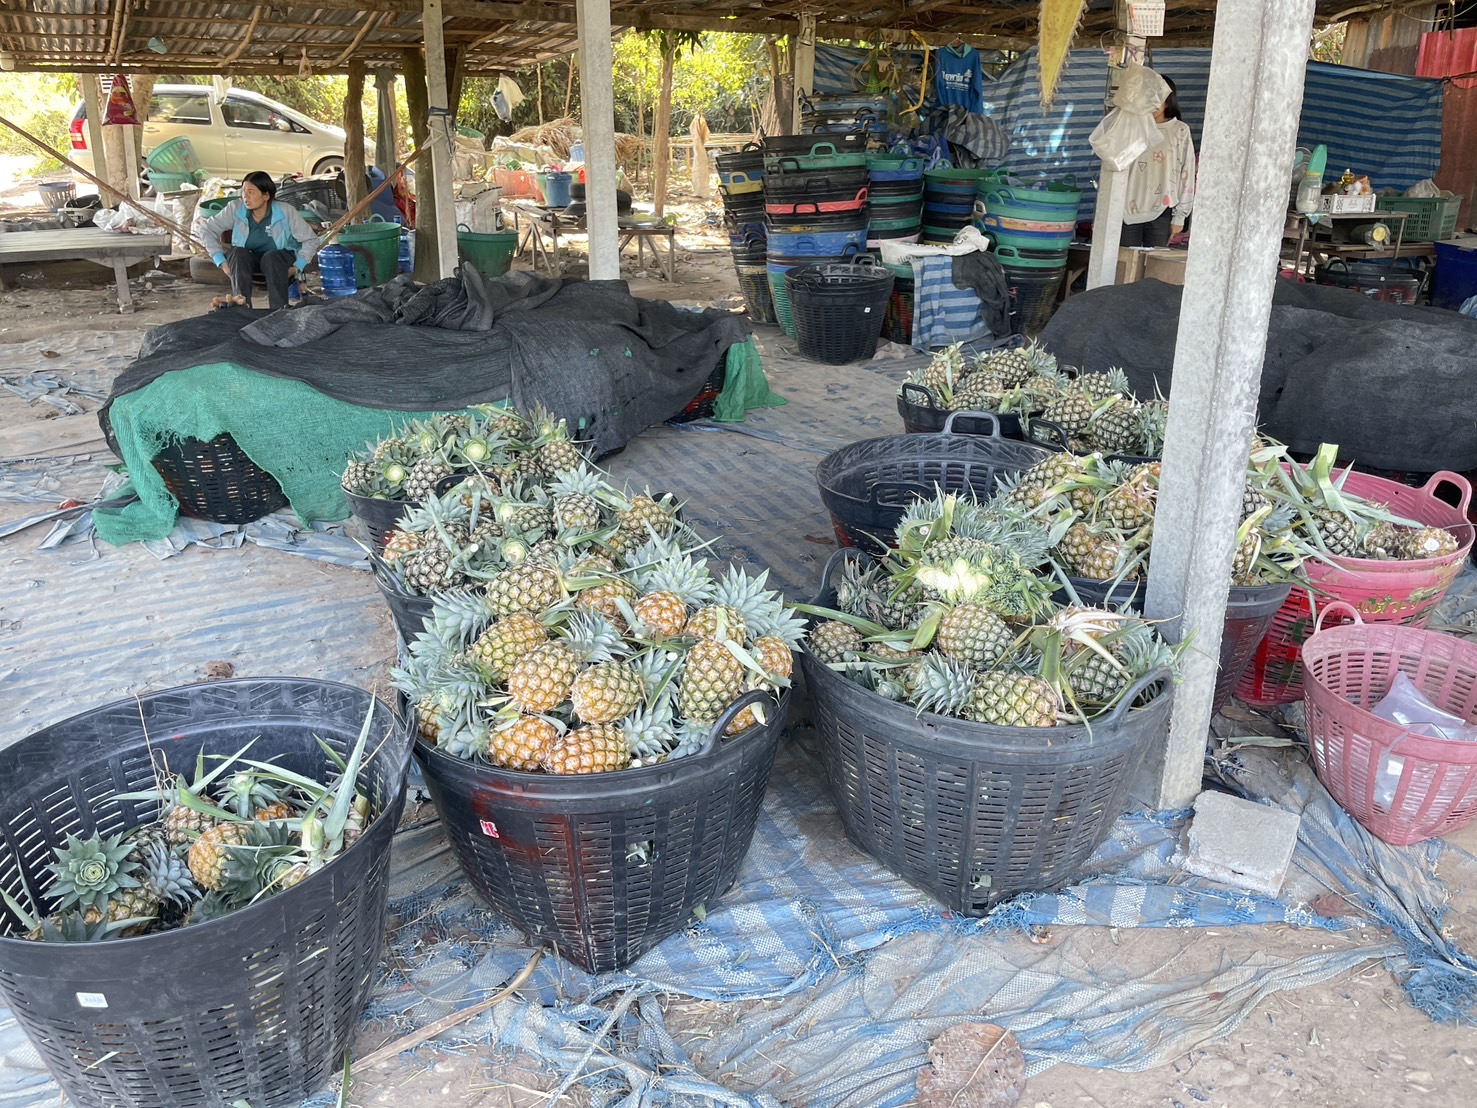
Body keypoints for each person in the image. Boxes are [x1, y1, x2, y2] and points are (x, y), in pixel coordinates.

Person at [199, 171, 320, 310]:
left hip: (278, 262)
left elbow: (311, 240)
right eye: (243, 191)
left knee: (271, 257)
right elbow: (207, 229)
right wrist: (221, 261)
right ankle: (241, 307)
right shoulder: (236, 208)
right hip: (249, 262)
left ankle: (279, 310)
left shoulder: (285, 211)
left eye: (251, 192)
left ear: (266, 196)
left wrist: (297, 266)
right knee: (237, 253)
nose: (245, 196)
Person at [1121, 75, 1196, 248]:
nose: (1151, 104)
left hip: (1162, 211)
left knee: (1154, 260)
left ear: (1168, 102)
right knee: (1123, 260)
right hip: (1126, 210)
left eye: (1157, 99)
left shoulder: (1179, 131)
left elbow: (1187, 174)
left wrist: (1180, 216)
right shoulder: (1130, 128)